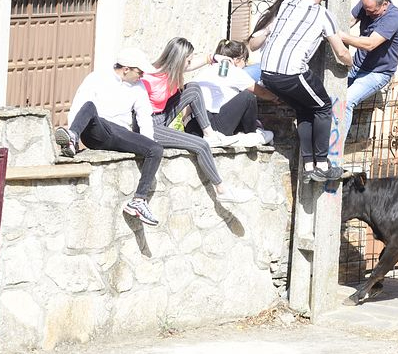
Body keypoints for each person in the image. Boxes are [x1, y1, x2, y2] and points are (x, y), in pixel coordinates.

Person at [251, 0, 353, 182]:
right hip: (291, 73)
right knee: (324, 107)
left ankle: (308, 166)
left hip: (267, 72)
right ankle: (323, 166)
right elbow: (341, 52)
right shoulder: (323, 14)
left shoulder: (287, 4)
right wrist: (351, 64)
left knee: (304, 108)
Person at [54, 48, 164, 226]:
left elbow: (144, 116)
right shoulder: (97, 78)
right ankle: (72, 138)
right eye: (139, 71)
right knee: (89, 105)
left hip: (118, 134)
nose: (142, 75)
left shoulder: (139, 87)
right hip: (95, 130)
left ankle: (138, 201)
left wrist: (147, 141)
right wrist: (73, 127)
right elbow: (79, 105)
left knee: (156, 149)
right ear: (126, 69)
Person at [141, 37, 253, 204]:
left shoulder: (172, 71)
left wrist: (215, 58)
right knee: (201, 145)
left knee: (193, 87)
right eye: (188, 60)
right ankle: (221, 190)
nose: (191, 63)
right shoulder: (148, 77)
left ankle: (209, 133)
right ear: (179, 60)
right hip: (149, 126)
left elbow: (200, 62)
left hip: (163, 117)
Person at [339, 0, 398, 140]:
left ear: (384, 5)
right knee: (332, 97)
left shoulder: (393, 17)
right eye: (365, 9)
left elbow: (370, 44)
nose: (367, 13)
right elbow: (347, 21)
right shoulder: (367, 5)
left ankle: (334, 153)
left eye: (372, 11)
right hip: (356, 65)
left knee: (346, 101)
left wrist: (342, 36)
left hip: (377, 73)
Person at [185, 39, 276, 146]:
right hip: (211, 127)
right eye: (245, 61)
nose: (245, 65)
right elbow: (262, 93)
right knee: (248, 97)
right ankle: (252, 134)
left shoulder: (206, 71)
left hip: (192, 128)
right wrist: (276, 98)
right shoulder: (233, 71)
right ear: (238, 60)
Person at [246, 0, 303, 82]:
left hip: (291, 70)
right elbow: (252, 46)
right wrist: (267, 32)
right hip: (266, 68)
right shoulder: (271, 16)